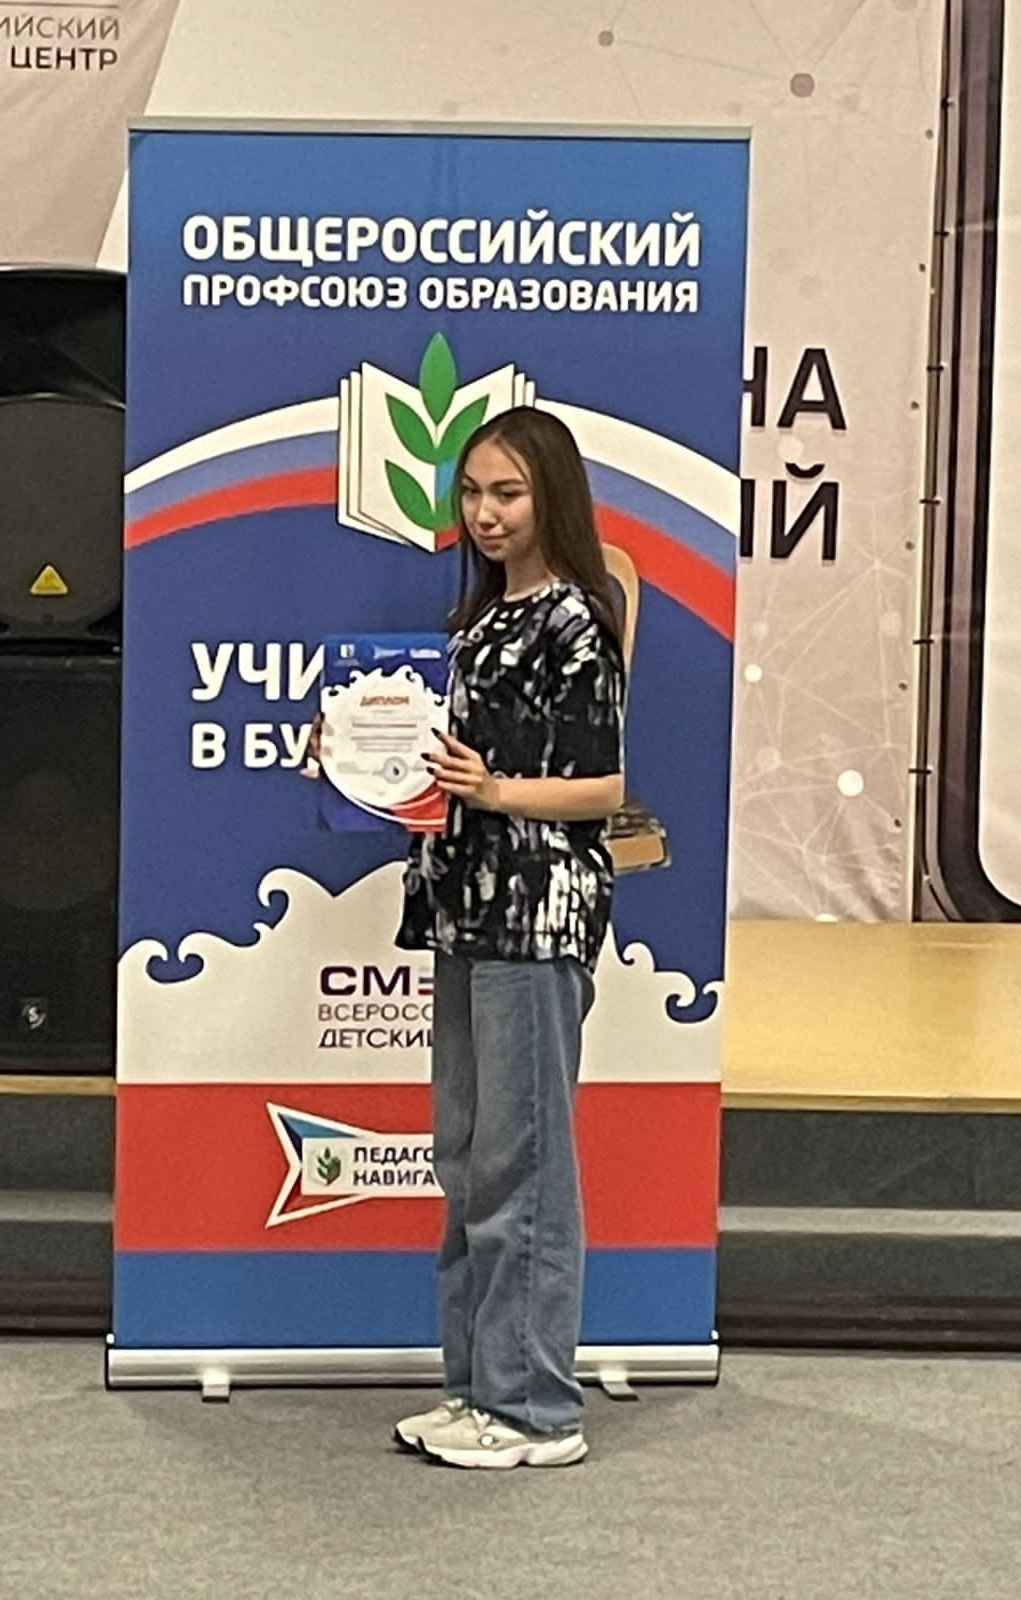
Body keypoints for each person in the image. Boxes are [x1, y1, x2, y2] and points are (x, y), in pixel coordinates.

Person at [392, 405, 626, 1470]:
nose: (486, 514)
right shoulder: (481, 619)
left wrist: (492, 790)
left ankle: (536, 1408)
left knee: (522, 1162)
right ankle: (477, 1387)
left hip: (537, 915)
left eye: (509, 494)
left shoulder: (577, 617)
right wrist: (359, 758)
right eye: (473, 492)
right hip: (465, 908)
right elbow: (442, 767)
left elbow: (604, 787)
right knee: (469, 1156)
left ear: (552, 499)